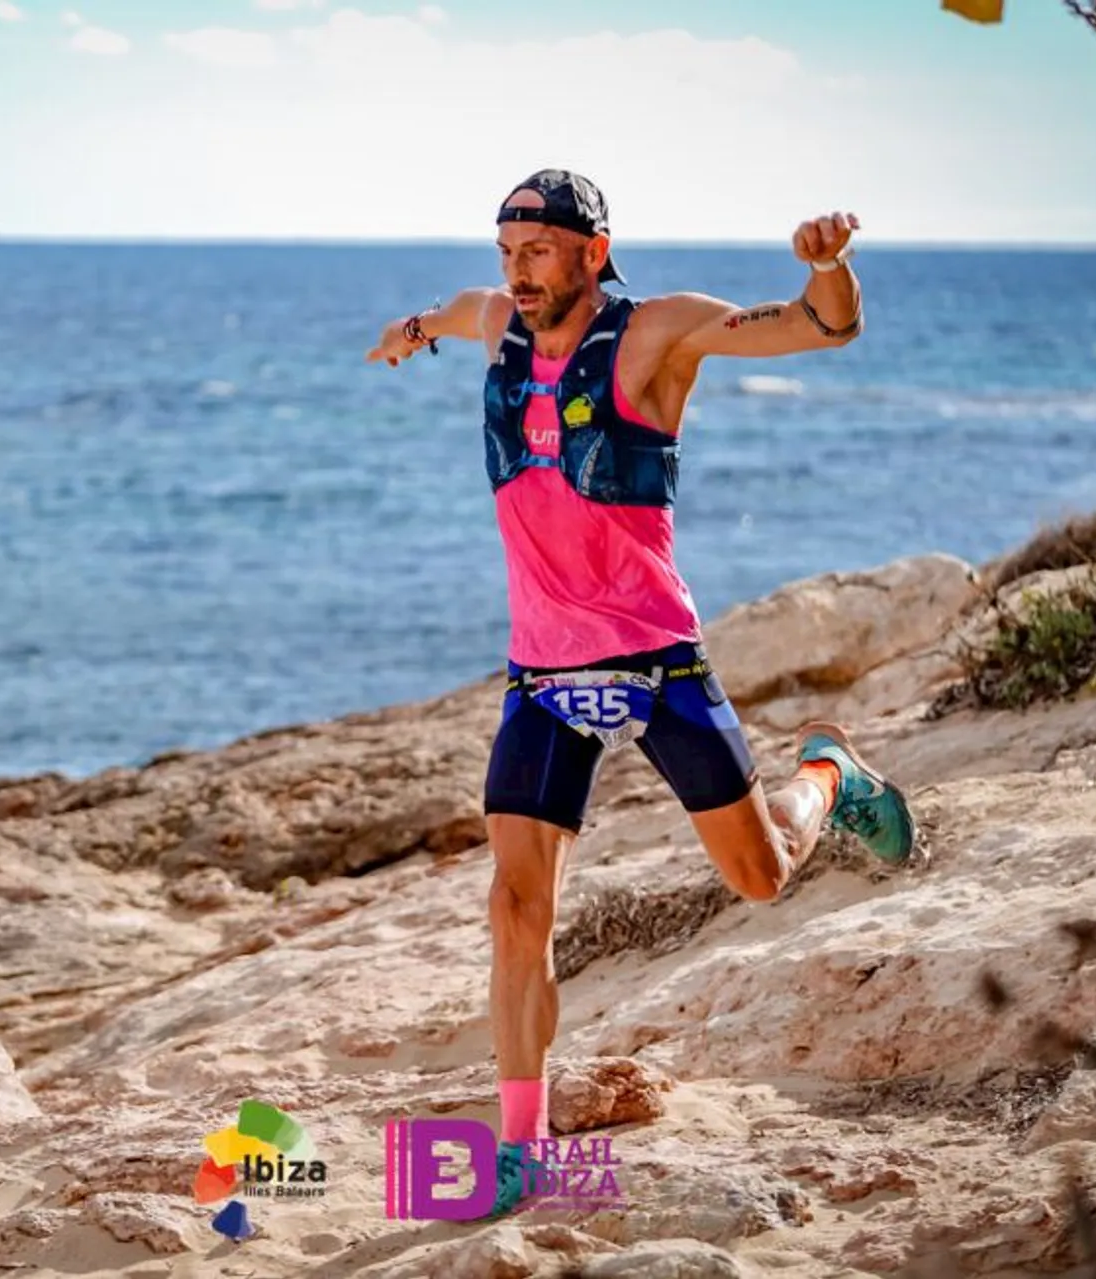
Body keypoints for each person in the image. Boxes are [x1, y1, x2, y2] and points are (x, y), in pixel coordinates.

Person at [365, 169, 919, 1218]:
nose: (515, 273)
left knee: (758, 876)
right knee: (516, 910)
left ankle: (826, 774)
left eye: (535, 251)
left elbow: (816, 329)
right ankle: (520, 1151)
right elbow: (450, 313)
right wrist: (412, 331)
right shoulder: (497, 323)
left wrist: (830, 271)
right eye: (504, 252)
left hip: (657, 664)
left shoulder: (658, 334)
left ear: (593, 248)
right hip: (543, 676)